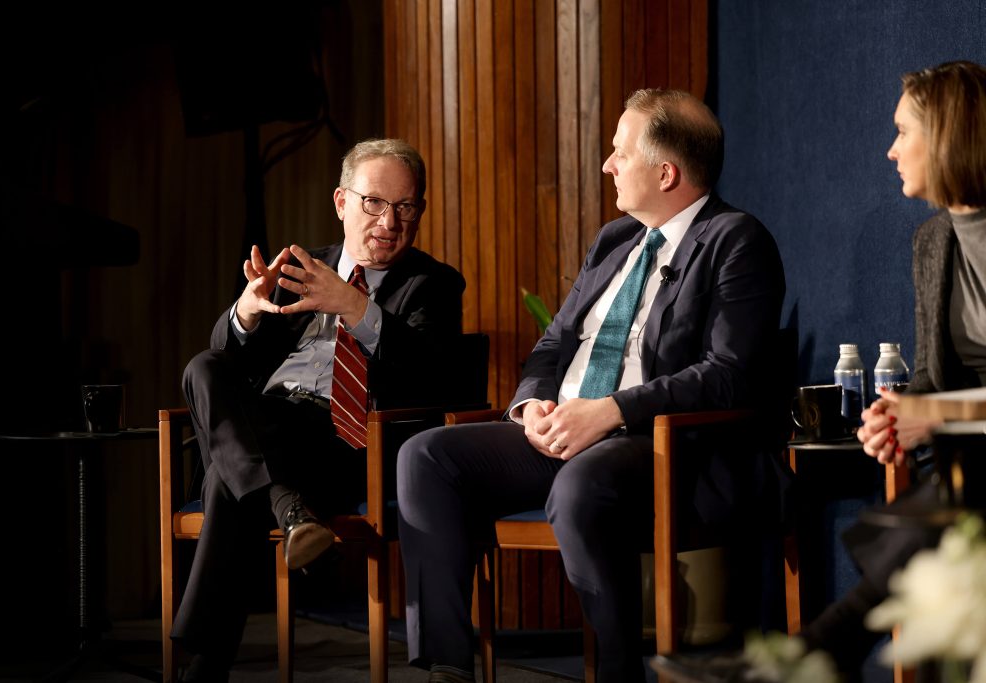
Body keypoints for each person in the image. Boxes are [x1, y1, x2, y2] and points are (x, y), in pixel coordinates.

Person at [396, 88, 786, 683]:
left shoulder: (736, 240)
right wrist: (531, 405)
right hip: (564, 429)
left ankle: (618, 673)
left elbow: (728, 374)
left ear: (666, 172)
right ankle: (447, 667)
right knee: (426, 456)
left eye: (619, 153)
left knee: (580, 486)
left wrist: (610, 411)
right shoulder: (614, 240)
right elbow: (552, 345)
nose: (608, 165)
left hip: (657, 445)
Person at [654, 61, 986, 683]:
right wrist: (897, 414)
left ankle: (798, 661)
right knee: (936, 515)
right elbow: (937, 379)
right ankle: (804, 659)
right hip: (969, 464)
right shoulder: (933, 241)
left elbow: (945, 402)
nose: (890, 151)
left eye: (903, 132)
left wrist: (937, 414)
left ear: (947, 135)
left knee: (938, 517)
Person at [170, 138, 465, 681]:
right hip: (270, 426)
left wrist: (355, 305)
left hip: (345, 445)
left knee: (226, 479)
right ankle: (287, 507)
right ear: (341, 202)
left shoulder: (433, 284)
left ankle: (203, 668)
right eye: (374, 203)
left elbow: (430, 374)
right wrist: (246, 312)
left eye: (406, 207)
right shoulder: (300, 267)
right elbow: (226, 360)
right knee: (203, 366)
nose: (390, 222)